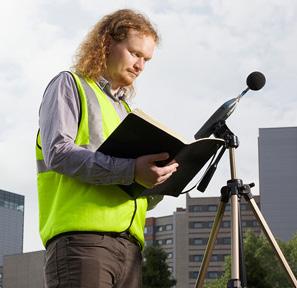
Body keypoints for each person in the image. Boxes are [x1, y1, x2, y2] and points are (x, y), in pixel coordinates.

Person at [36, 9, 179, 288]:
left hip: (131, 250)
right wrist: (131, 169)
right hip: (83, 244)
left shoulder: (127, 112)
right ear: (107, 44)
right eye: (135, 53)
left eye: (146, 59)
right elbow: (58, 152)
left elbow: (130, 187)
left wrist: (158, 181)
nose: (140, 66)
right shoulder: (70, 85)